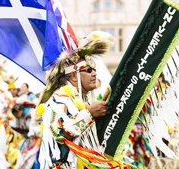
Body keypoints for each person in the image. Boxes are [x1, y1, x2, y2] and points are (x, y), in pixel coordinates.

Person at [36, 31, 126, 168]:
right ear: (73, 76)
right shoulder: (59, 100)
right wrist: (89, 113)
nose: (94, 73)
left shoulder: (84, 101)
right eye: (89, 70)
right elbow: (59, 133)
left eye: (94, 70)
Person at [10, 96, 41, 169]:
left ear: (21, 110)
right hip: (28, 139)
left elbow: (36, 128)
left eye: (16, 114)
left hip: (38, 139)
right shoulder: (21, 117)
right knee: (22, 157)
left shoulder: (32, 113)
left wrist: (34, 133)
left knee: (32, 159)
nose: (16, 117)